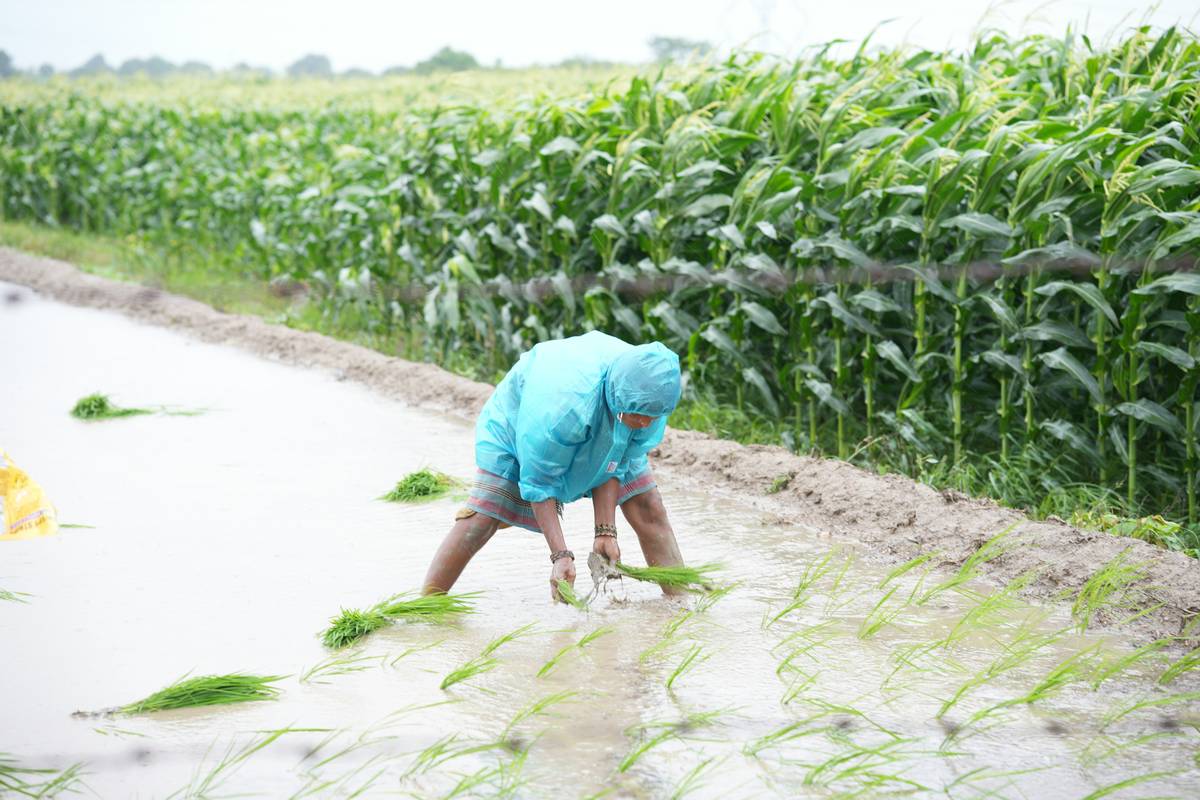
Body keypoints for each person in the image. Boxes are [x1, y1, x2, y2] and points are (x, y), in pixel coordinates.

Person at [422, 330, 687, 601]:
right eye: (638, 415)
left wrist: (605, 531)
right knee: (482, 518)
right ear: (621, 395)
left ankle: (680, 604)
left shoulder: (651, 396)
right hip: (521, 424)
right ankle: (426, 604)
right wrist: (560, 555)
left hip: (605, 411)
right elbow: (539, 481)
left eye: (652, 417)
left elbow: (614, 461)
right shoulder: (562, 408)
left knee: (648, 506)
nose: (645, 423)